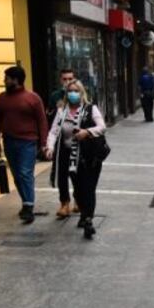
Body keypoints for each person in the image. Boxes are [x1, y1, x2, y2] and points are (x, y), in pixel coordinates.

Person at [46, 79, 107, 239]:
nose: (73, 94)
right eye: (70, 91)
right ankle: (83, 213)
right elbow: (53, 131)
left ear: (82, 93)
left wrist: (86, 132)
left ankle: (88, 219)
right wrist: (50, 147)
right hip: (70, 157)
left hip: (88, 156)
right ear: (66, 94)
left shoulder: (90, 109)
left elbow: (102, 127)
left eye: (76, 91)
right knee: (78, 189)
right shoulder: (62, 112)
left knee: (88, 188)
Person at [0, 66, 49, 223]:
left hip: (28, 142)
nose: (4, 81)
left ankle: (28, 206)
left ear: (15, 80)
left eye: (7, 78)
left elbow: (42, 121)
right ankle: (26, 202)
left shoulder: (33, 98)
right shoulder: (2, 98)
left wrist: (43, 143)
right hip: (9, 141)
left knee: (25, 173)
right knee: (17, 175)